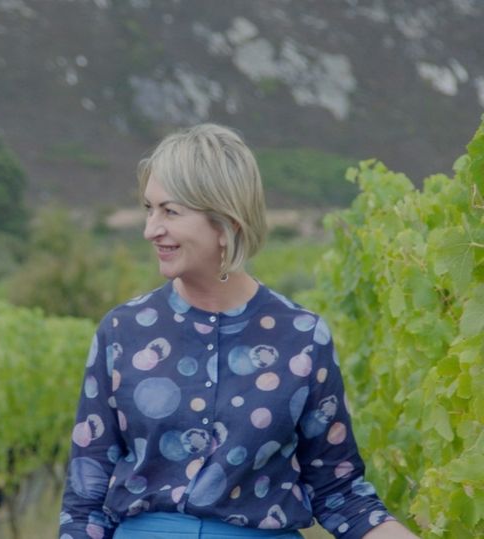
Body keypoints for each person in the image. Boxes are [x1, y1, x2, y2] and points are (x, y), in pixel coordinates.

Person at [58, 124, 418, 539]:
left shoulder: (302, 336)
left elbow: (340, 491)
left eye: (170, 211)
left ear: (225, 221)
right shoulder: (122, 331)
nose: (150, 229)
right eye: (149, 208)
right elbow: (86, 500)